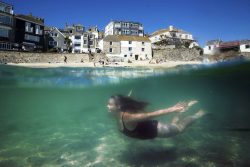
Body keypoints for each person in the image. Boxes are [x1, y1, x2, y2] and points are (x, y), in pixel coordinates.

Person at [107, 95, 205, 139]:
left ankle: (199, 114)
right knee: (173, 125)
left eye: (110, 104)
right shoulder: (115, 114)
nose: (107, 106)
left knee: (179, 128)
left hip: (158, 130)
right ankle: (181, 110)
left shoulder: (127, 117)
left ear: (118, 106)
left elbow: (151, 115)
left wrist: (172, 109)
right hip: (151, 129)